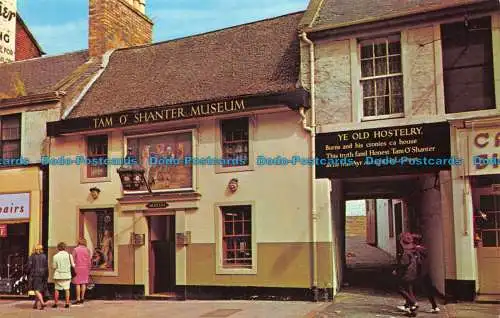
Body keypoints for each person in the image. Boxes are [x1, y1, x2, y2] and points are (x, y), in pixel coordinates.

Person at [412, 235, 440, 314]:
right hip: (426, 272)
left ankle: (412, 305)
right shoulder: (424, 249)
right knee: (428, 289)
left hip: (419, 272)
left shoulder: (415, 250)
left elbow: (417, 262)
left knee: (412, 289)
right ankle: (435, 306)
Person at [393, 232, 418, 317]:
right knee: (409, 289)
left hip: (406, 273)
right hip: (413, 272)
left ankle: (413, 303)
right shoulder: (413, 249)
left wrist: (396, 270)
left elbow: (403, 264)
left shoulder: (405, 252)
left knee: (399, 288)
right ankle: (412, 309)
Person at [52, 242, 74, 308]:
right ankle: (67, 303)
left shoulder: (55, 256)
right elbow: (73, 265)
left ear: (58, 248)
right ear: (65, 247)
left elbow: (54, 266)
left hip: (58, 275)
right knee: (67, 289)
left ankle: (55, 303)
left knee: (56, 289)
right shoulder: (69, 255)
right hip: (67, 275)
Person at [27, 244, 48, 310]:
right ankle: (35, 304)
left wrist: (27, 272)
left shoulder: (32, 256)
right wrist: (47, 275)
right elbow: (46, 266)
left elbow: (29, 266)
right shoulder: (44, 256)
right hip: (43, 274)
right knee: (39, 290)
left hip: (35, 274)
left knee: (36, 290)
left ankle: (42, 303)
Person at [72, 238, 92, 305]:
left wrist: (73, 267)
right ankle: (82, 298)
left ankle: (78, 299)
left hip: (77, 268)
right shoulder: (87, 250)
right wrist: (89, 269)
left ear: (79, 242)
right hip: (85, 268)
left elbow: (73, 259)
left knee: (77, 284)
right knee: (84, 283)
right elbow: (89, 261)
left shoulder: (75, 249)